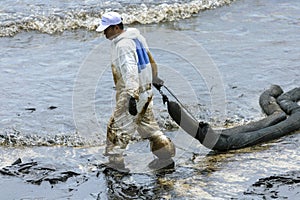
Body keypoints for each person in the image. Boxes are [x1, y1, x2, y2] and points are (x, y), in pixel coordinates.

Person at [96, 12, 176, 171]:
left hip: (133, 92)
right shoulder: (136, 37)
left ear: (116, 27)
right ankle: (166, 157)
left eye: (106, 29)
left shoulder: (122, 45)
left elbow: (130, 71)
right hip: (146, 90)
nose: (104, 32)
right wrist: (154, 77)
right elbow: (149, 58)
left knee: (116, 127)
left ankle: (115, 163)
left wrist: (131, 96)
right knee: (150, 128)